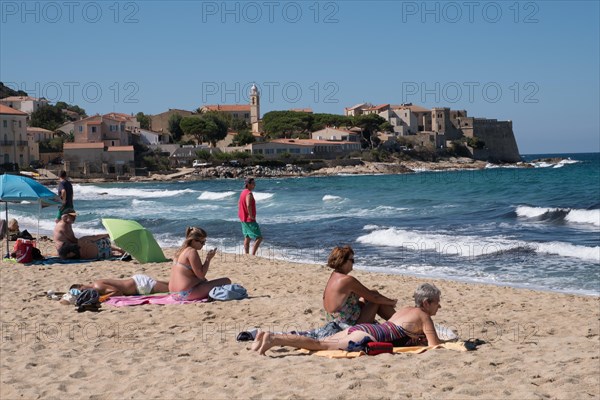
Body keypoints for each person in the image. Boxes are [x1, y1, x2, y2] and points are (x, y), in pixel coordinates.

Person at [252, 283, 443, 355]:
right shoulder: (424, 316)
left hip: (365, 329)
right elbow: (435, 346)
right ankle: (273, 339)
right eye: (437, 303)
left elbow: (397, 331)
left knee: (319, 342)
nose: (439, 306)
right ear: (426, 303)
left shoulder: (406, 309)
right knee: (320, 345)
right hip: (367, 336)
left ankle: (267, 336)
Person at [169, 226, 231, 300]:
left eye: (205, 242)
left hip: (173, 293)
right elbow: (201, 275)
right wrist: (208, 259)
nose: (204, 244)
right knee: (226, 280)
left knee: (204, 281)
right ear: (193, 241)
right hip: (185, 294)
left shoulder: (180, 251)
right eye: (202, 242)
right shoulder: (191, 252)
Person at [53, 209, 124, 259]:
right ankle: (110, 241)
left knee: (89, 241)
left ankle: (115, 249)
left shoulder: (67, 224)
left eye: (74, 216)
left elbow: (73, 240)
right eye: (72, 216)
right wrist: (88, 239)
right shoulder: (63, 226)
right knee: (86, 240)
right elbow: (74, 240)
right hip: (65, 250)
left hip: (67, 248)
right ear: (65, 217)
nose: (74, 218)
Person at [70, 275, 169, 298]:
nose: (84, 293)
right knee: (172, 285)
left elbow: (118, 292)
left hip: (140, 285)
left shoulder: (97, 287)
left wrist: (102, 298)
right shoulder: (96, 284)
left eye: (82, 290)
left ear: (82, 285)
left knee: (174, 289)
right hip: (137, 281)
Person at [238, 177, 263, 255]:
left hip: (243, 218)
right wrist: (251, 215)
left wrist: (242, 213)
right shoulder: (249, 193)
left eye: (254, 183)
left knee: (247, 237)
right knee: (259, 237)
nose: (254, 185)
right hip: (249, 219)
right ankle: (253, 254)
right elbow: (248, 205)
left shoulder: (243, 192)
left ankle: (246, 254)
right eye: (253, 184)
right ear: (248, 184)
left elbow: (239, 203)